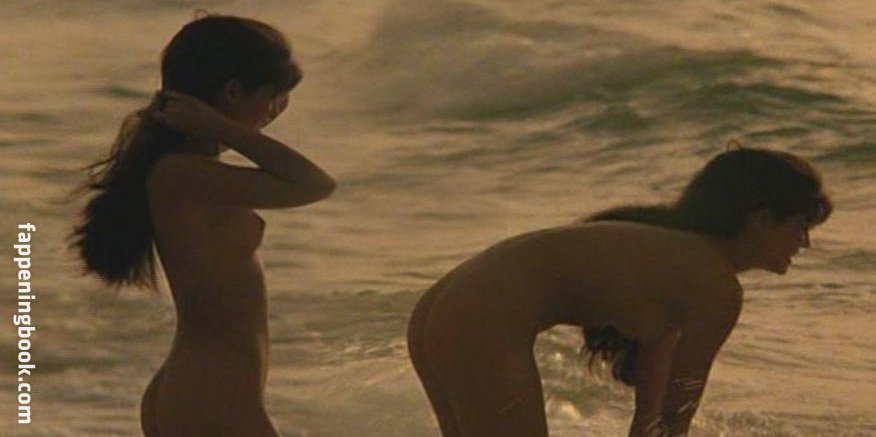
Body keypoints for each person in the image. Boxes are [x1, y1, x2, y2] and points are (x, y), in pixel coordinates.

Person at [407, 147, 831, 437]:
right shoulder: (716, 287)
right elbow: (677, 413)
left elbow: (651, 421)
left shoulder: (672, 264)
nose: (805, 243)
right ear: (761, 221)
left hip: (445, 308)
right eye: (801, 226)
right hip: (481, 319)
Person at [70, 14, 335, 436]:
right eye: (273, 95)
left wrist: (219, 127)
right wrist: (222, 128)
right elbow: (314, 184)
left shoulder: (190, 173)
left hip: (204, 391)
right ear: (232, 92)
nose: (279, 108)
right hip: (212, 395)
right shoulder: (182, 174)